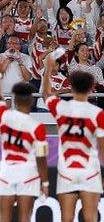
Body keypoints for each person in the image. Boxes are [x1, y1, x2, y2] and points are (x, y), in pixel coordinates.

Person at [43, 55, 104, 222]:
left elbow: (46, 95)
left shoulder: (61, 107)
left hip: (67, 172)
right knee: (91, 218)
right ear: (92, 88)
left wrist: (48, 69)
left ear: (72, 88)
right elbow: (102, 149)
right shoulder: (97, 114)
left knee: (66, 219)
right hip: (89, 172)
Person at [0, 60, 49, 222]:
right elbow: (41, 157)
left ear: (14, 100)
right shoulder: (38, 127)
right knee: (25, 218)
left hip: (7, 172)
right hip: (28, 173)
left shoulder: (3, 115)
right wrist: (44, 182)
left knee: (3, 218)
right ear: (31, 101)